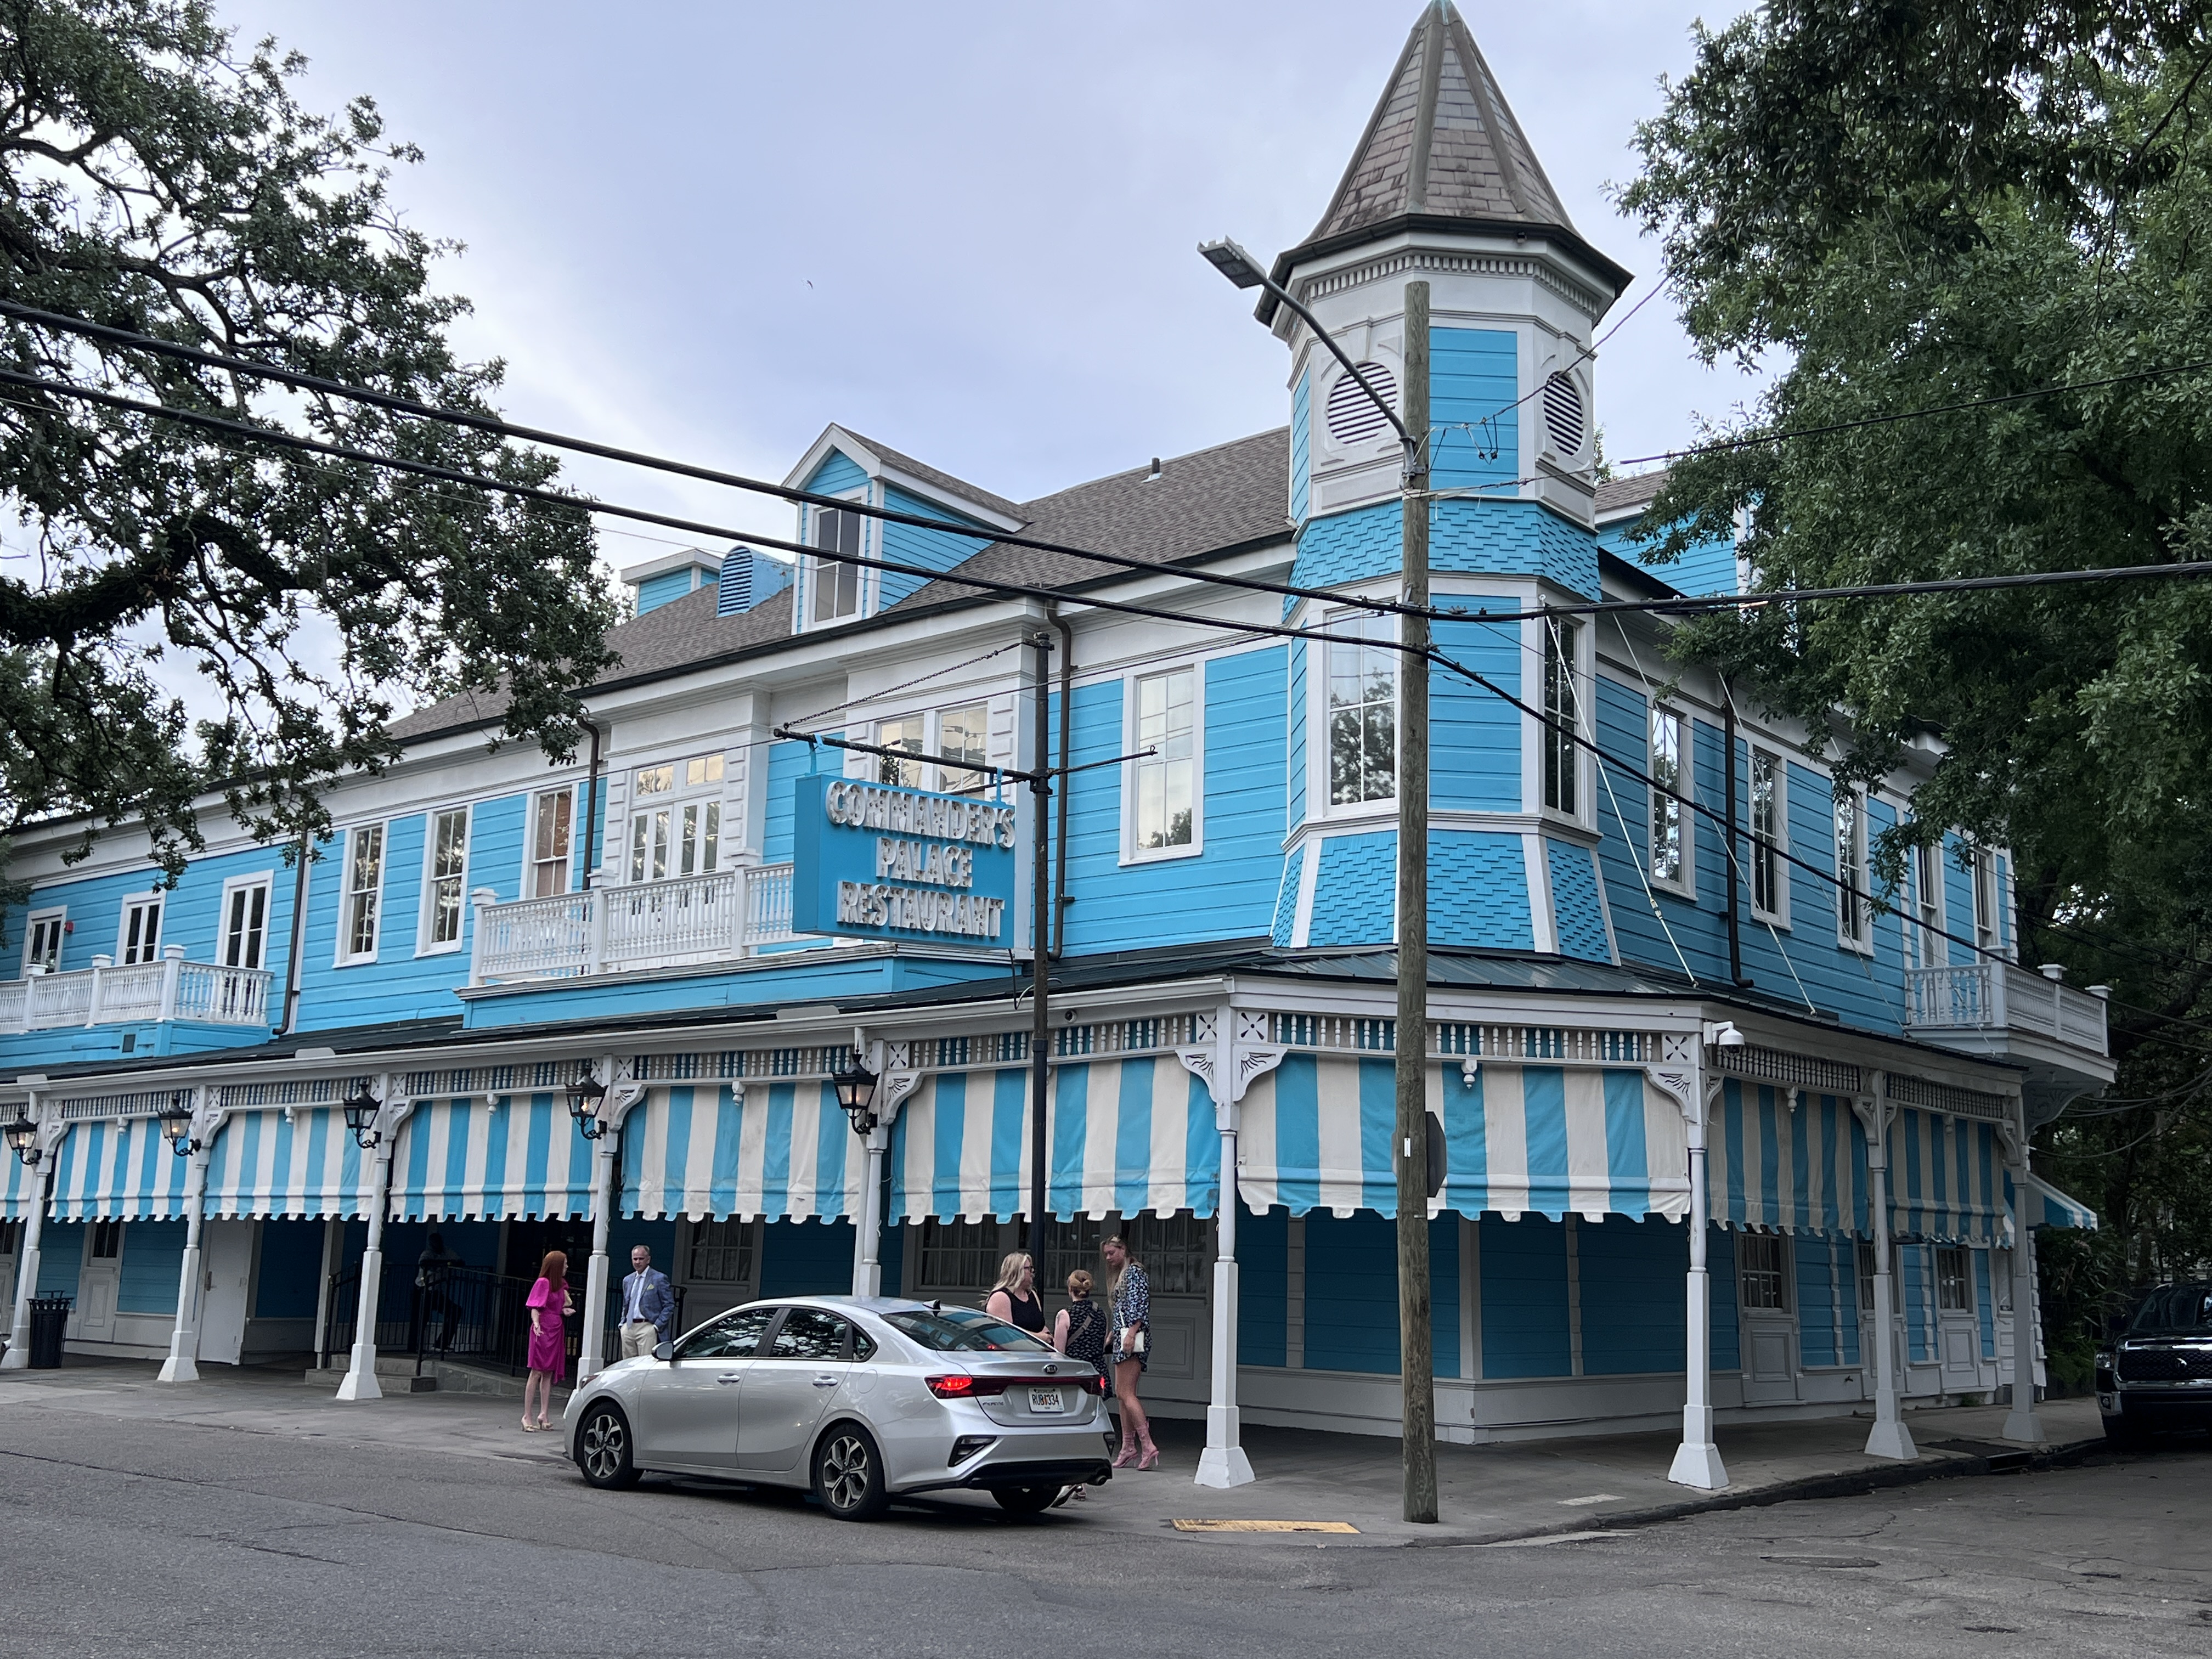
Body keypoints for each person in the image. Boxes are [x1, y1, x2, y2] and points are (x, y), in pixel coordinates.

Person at [1052, 1268, 1110, 1504]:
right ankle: (1080, 1483)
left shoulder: (1064, 1315)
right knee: (1088, 1424)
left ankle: (1072, 1480)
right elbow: (1103, 1342)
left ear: (1070, 1290)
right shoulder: (1101, 1313)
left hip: (1075, 1376)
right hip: (1096, 1374)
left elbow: (1059, 1353)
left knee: (1068, 1426)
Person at [1102, 1235, 1155, 1469]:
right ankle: (1128, 1447)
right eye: (1106, 1253)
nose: (1108, 1258)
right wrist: (1114, 1333)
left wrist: (1132, 1333)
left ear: (1123, 1249)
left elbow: (1139, 1305)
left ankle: (1147, 1444)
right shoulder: (1124, 1275)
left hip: (1133, 1335)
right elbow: (1123, 1308)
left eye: (1112, 1253)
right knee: (1121, 1393)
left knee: (1126, 1392)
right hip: (1123, 1333)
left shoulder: (1134, 1272)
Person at [521, 1249, 572, 1432]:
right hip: (542, 1330)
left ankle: (543, 1414)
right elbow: (535, 1307)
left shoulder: (560, 1285)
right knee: (536, 1372)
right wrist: (536, 1323)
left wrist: (564, 1311)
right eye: (565, 1263)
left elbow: (562, 1305)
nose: (567, 1266)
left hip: (556, 1328)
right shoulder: (543, 1283)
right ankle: (527, 1416)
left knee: (548, 1373)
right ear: (557, 1265)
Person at [618, 1243, 674, 1359]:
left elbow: (669, 1305)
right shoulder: (628, 1280)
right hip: (628, 1327)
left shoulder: (659, 1278)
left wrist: (656, 1326)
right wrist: (622, 1323)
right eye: (635, 1259)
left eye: (641, 1259)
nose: (638, 1262)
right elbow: (626, 1304)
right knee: (628, 1365)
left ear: (648, 1260)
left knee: (645, 1364)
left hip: (647, 1326)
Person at [414, 1230, 458, 1353]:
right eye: (434, 1243)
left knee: (455, 1311)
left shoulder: (446, 1252)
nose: (437, 1245)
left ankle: (441, 1344)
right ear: (431, 1244)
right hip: (423, 1290)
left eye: (438, 1242)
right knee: (422, 1319)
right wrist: (445, 1263)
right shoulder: (427, 1254)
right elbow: (424, 1263)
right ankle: (415, 1348)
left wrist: (449, 1263)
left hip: (437, 1292)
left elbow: (459, 1261)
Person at [984, 1251, 1046, 1338]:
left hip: (1036, 1351)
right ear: (1017, 1271)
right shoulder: (1001, 1297)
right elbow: (1006, 1333)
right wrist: (1038, 1337)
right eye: (1029, 1268)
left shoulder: (1032, 1295)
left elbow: (1039, 1326)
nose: (1033, 1271)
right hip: (1012, 1351)